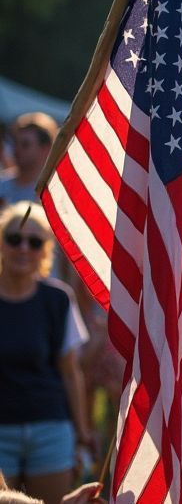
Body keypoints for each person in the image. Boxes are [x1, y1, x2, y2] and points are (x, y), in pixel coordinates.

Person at [0, 204, 91, 504]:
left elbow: (70, 371)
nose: (23, 248)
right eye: (14, 239)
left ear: (45, 250)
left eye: (35, 241)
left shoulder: (59, 298)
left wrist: (82, 434)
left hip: (50, 430)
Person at [0, 113, 57, 208]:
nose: (16, 149)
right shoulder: (2, 185)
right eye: (15, 142)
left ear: (46, 148)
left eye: (25, 144)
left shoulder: (52, 192)